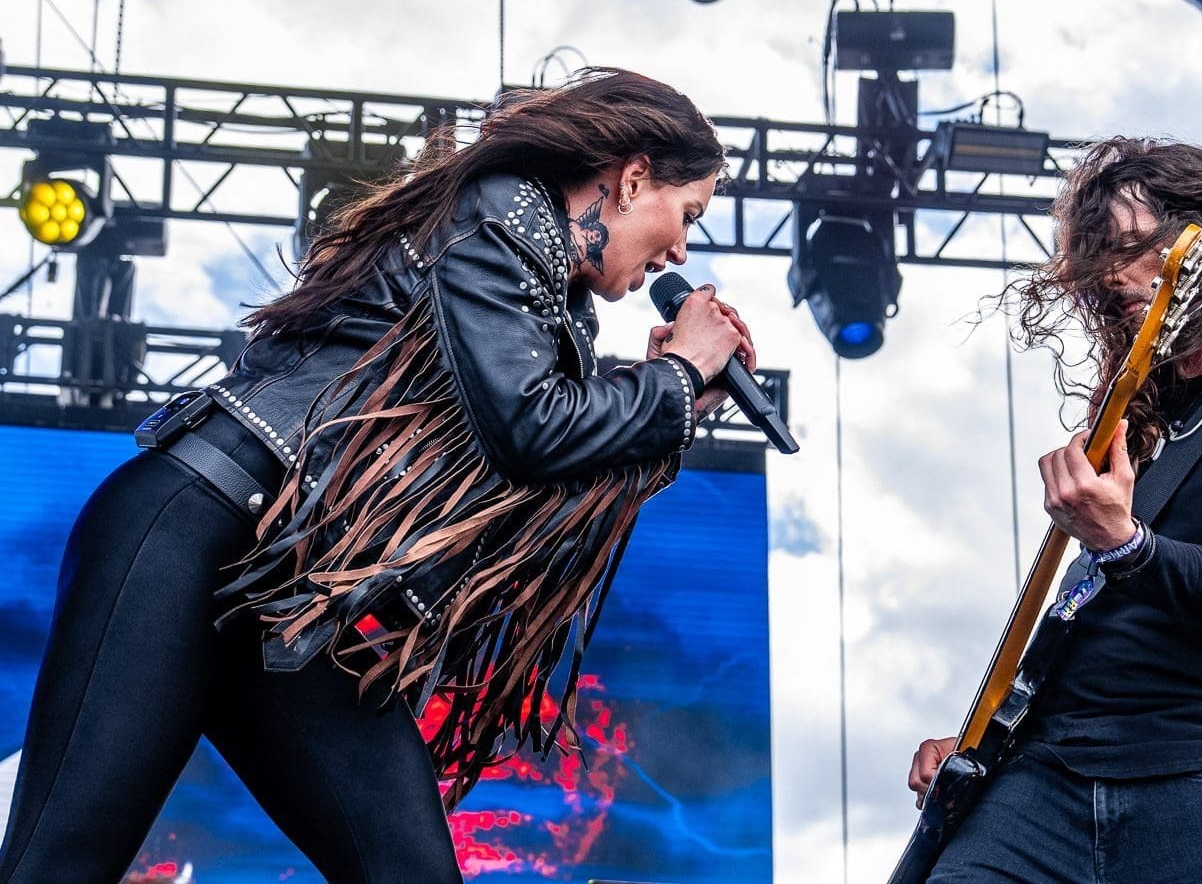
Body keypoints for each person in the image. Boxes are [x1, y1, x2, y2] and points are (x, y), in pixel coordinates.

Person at [0, 68, 755, 882]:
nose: (682, 248)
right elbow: (528, 426)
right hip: (193, 528)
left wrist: (668, 397)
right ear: (633, 176)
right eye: (688, 215)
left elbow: (531, 478)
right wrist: (671, 378)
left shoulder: (547, 303)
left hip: (285, 596)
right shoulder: (502, 212)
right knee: (57, 866)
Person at [908, 138, 1202, 881]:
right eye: (1099, 262)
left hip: (1194, 770)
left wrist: (1124, 542)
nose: (1115, 277)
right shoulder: (1132, 413)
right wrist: (980, 734)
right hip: (1039, 778)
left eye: (1130, 247)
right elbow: (1081, 613)